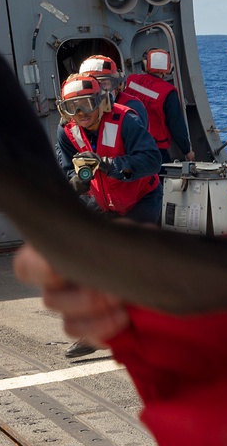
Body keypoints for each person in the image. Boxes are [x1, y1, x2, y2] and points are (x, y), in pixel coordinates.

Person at [54, 72, 163, 358]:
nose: (80, 114)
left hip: (140, 197)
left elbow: (152, 160)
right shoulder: (66, 132)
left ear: (100, 102)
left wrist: (108, 164)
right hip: (103, 201)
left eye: (86, 104)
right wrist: (76, 182)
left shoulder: (126, 120)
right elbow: (67, 174)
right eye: (72, 107)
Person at [121, 48, 195, 166]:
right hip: (154, 148)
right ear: (169, 69)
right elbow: (176, 125)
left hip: (127, 143)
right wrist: (187, 150)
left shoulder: (131, 80)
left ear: (145, 65)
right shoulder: (168, 92)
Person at [78, 54, 148, 127]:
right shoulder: (80, 111)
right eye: (90, 85)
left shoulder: (132, 108)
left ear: (118, 85)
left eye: (104, 84)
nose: (99, 91)